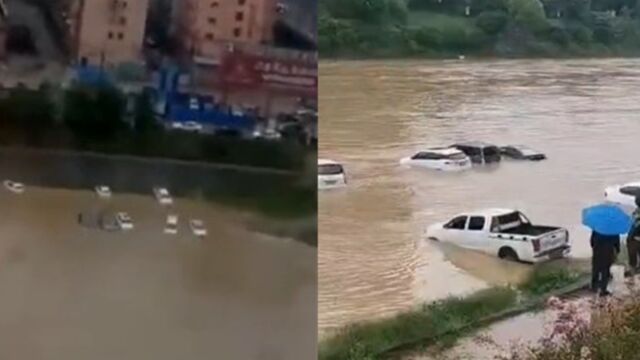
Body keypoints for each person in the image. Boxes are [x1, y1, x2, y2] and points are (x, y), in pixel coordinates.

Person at [591, 230, 620, 296]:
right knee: (605, 270)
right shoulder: (614, 229)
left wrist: (595, 247)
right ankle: (603, 289)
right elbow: (616, 242)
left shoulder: (597, 228)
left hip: (597, 250)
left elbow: (592, 241)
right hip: (608, 252)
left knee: (596, 268)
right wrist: (617, 250)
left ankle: (594, 287)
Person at [627, 196, 640, 273]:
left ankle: (633, 274)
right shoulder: (635, 212)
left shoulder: (635, 212)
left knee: (632, 262)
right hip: (634, 238)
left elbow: (633, 225)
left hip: (633, 239)